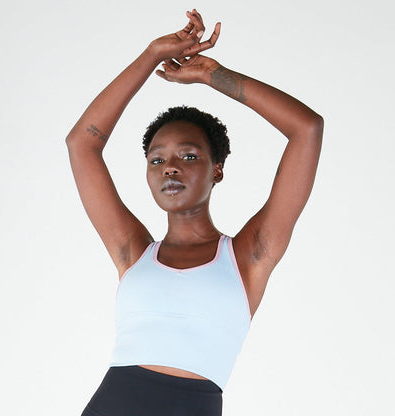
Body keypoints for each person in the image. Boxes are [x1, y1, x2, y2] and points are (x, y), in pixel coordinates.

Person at [65, 9, 323, 416]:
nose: (170, 167)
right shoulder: (132, 252)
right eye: (156, 160)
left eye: (189, 155)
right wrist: (151, 55)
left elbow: (306, 128)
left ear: (216, 169)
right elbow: (82, 143)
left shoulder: (249, 256)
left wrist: (212, 76)